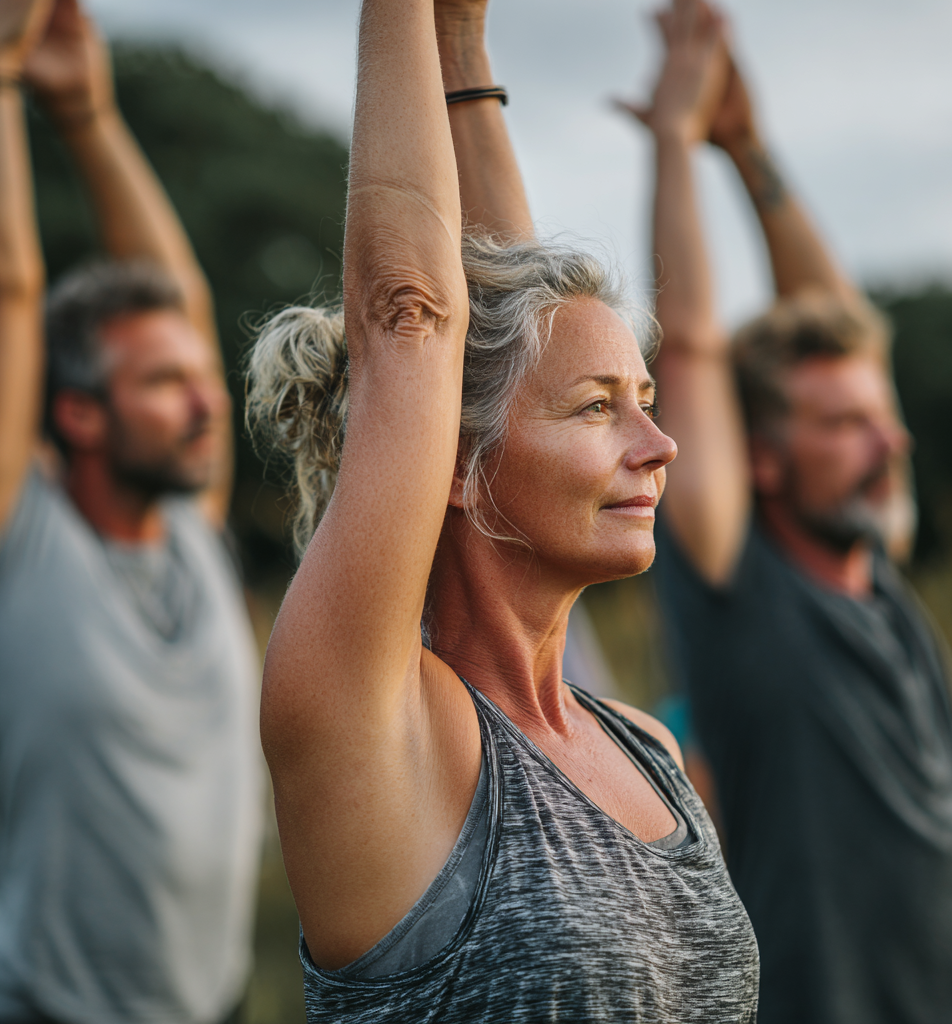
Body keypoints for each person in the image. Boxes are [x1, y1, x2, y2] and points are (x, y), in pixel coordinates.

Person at [244, 0, 759, 1019]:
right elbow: (414, 318)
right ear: (454, 462)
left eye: (644, 403)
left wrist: (464, 52)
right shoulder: (376, 728)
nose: (656, 448)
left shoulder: (645, 747)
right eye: (601, 410)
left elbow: (514, 359)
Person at [622, 2, 952, 1022]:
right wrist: (673, 145)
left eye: (881, 418)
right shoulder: (738, 580)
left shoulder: (880, 568)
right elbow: (689, 346)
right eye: (845, 426)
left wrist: (751, 152)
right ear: (763, 463)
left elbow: (852, 343)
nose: (890, 439)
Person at [0, 1, 263, 1021]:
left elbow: (186, 299)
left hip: (218, 1006)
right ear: (79, 414)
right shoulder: (25, 539)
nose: (205, 401)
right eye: (162, 384)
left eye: (203, 377)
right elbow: (13, 288)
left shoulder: (195, 534)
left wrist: (91, 116)